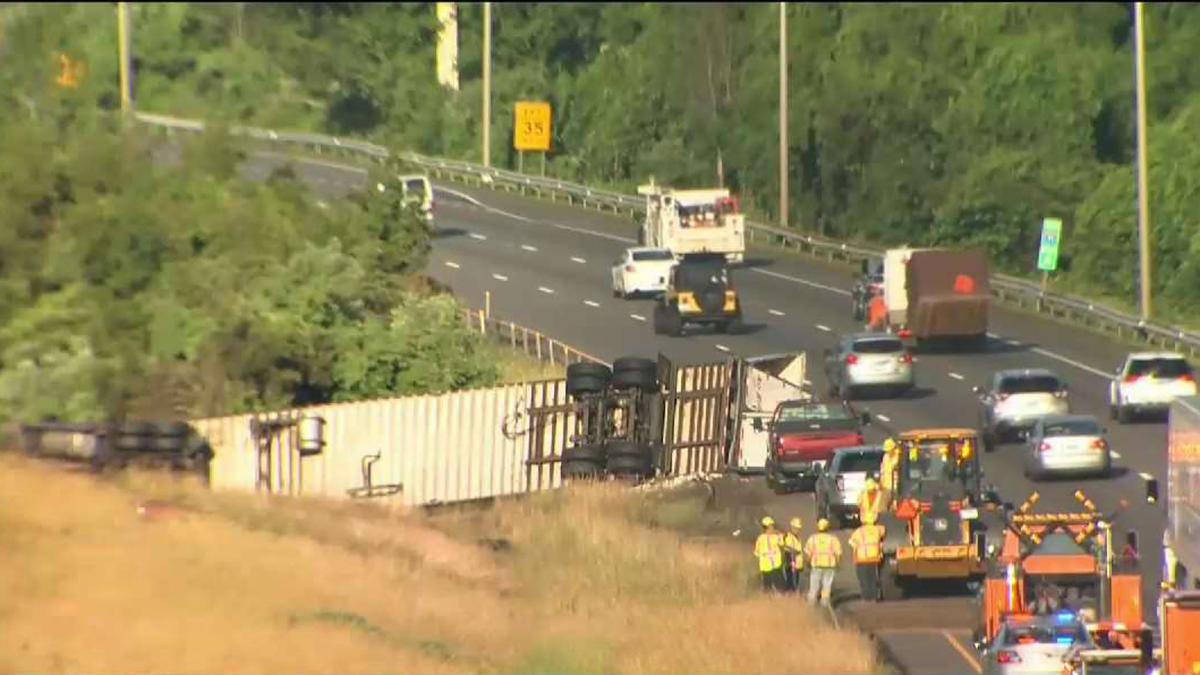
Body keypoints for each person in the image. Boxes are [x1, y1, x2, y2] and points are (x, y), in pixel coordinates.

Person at [848, 509, 886, 602]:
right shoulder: (878, 529)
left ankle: (866, 597)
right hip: (874, 558)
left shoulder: (858, 531)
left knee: (863, 579)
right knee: (873, 578)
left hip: (861, 559)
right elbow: (884, 532)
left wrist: (854, 558)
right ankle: (874, 596)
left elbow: (853, 544)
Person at [805, 518, 843, 608]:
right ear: (828, 527)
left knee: (814, 586)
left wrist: (808, 563)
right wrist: (838, 564)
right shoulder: (833, 539)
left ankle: (811, 604)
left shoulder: (812, 538)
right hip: (829, 566)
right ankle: (824, 604)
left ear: (818, 527)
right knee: (826, 586)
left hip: (816, 566)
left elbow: (809, 554)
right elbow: (837, 553)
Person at [755, 516, 786, 592]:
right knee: (778, 588)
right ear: (768, 527)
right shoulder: (775, 537)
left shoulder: (760, 538)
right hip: (772, 567)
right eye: (772, 526)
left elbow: (757, 553)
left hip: (771, 567)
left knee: (771, 589)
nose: (773, 528)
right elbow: (782, 547)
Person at [783, 517, 807, 593]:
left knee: (795, 579)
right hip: (791, 561)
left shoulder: (797, 537)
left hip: (796, 562)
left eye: (798, 528)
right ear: (792, 527)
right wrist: (795, 552)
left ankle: (792, 593)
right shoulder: (788, 536)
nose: (798, 530)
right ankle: (790, 595)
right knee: (791, 580)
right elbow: (787, 548)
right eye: (796, 528)